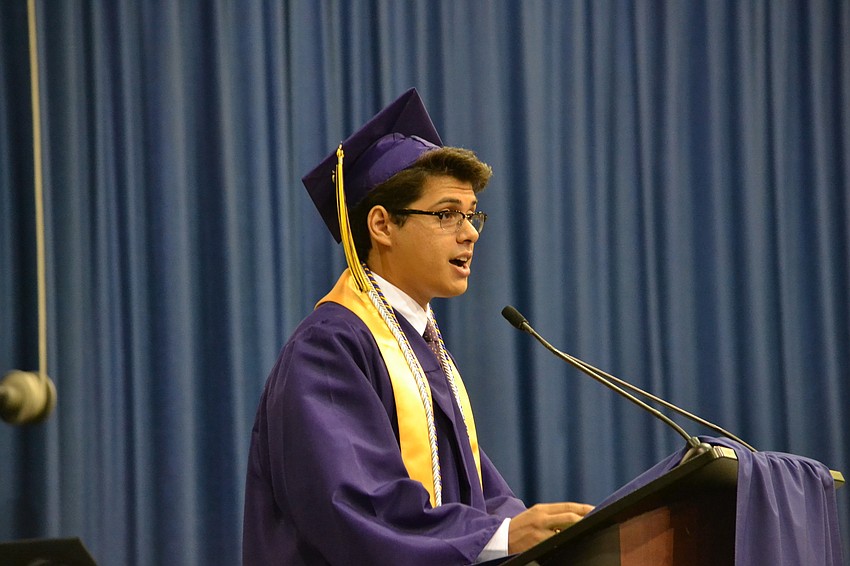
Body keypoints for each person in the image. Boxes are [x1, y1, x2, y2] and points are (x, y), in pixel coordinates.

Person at [242, 88, 592, 565]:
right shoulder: (330, 346)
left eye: (471, 216)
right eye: (446, 214)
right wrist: (504, 536)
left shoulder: (422, 344)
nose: (469, 232)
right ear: (382, 225)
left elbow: (475, 496)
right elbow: (353, 504)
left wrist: (552, 534)